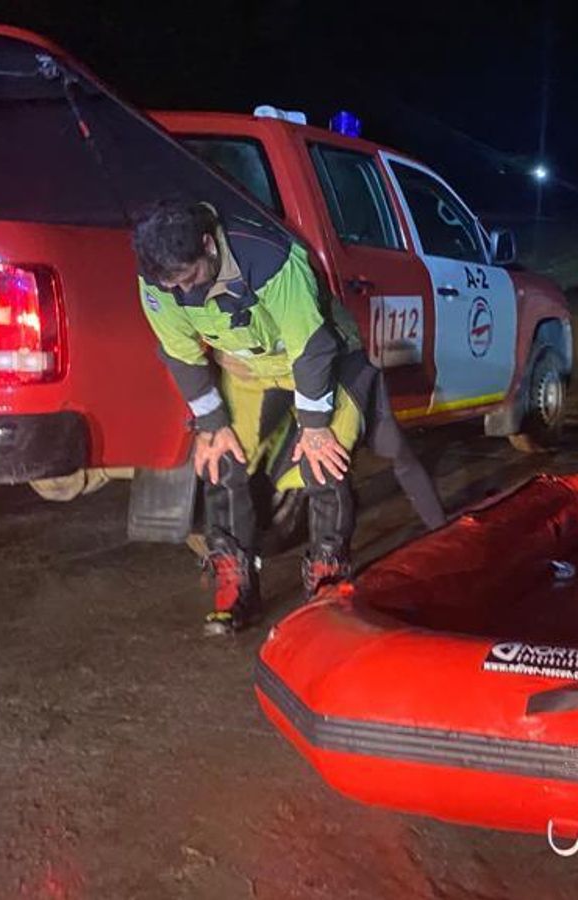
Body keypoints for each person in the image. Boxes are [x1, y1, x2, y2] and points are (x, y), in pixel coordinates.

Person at [133, 201, 446, 635]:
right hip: (247, 369)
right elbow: (181, 354)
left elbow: (311, 348)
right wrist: (212, 424)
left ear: (208, 245)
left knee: (322, 463)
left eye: (190, 280)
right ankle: (236, 582)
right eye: (172, 287)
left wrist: (315, 428)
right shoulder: (159, 281)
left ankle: (328, 579)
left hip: (324, 361)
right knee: (220, 460)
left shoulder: (268, 258)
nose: (184, 294)